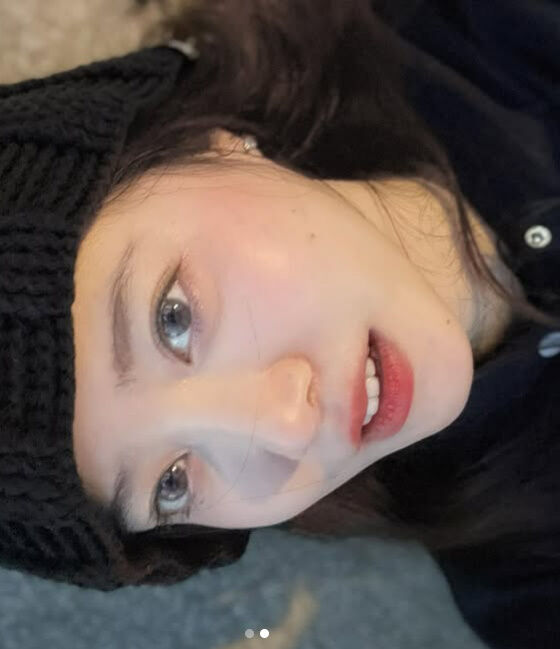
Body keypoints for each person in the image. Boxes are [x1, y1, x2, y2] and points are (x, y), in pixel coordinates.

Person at [0, 0, 559, 646]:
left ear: (205, 142)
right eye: (172, 484)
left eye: (173, 318)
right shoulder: (524, 577)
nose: (288, 427)